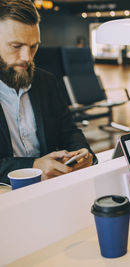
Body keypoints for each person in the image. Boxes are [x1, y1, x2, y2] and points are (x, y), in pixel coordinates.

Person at [0, 0, 96, 185]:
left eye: (33, 46)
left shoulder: (46, 81)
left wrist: (82, 153)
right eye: (16, 46)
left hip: (50, 187)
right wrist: (34, 165)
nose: (27, 58)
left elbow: (68, 131)